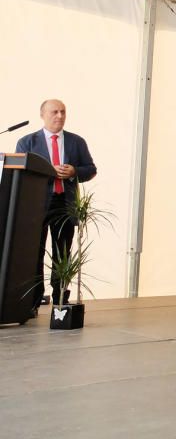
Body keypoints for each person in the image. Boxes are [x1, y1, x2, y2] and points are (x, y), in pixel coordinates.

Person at [15, 99, 97, 311]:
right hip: (35, 204)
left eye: (63, 112)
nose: (59, 116)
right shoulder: (27, 142)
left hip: (65, 203)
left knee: (63, 252)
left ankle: (60, 298)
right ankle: (33, 301)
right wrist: (47, 171)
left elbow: (91, 169)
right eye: (54, 112)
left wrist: (74, 172)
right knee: (35, 252)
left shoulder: (76, 142)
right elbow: (20, 173)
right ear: (42, 114)